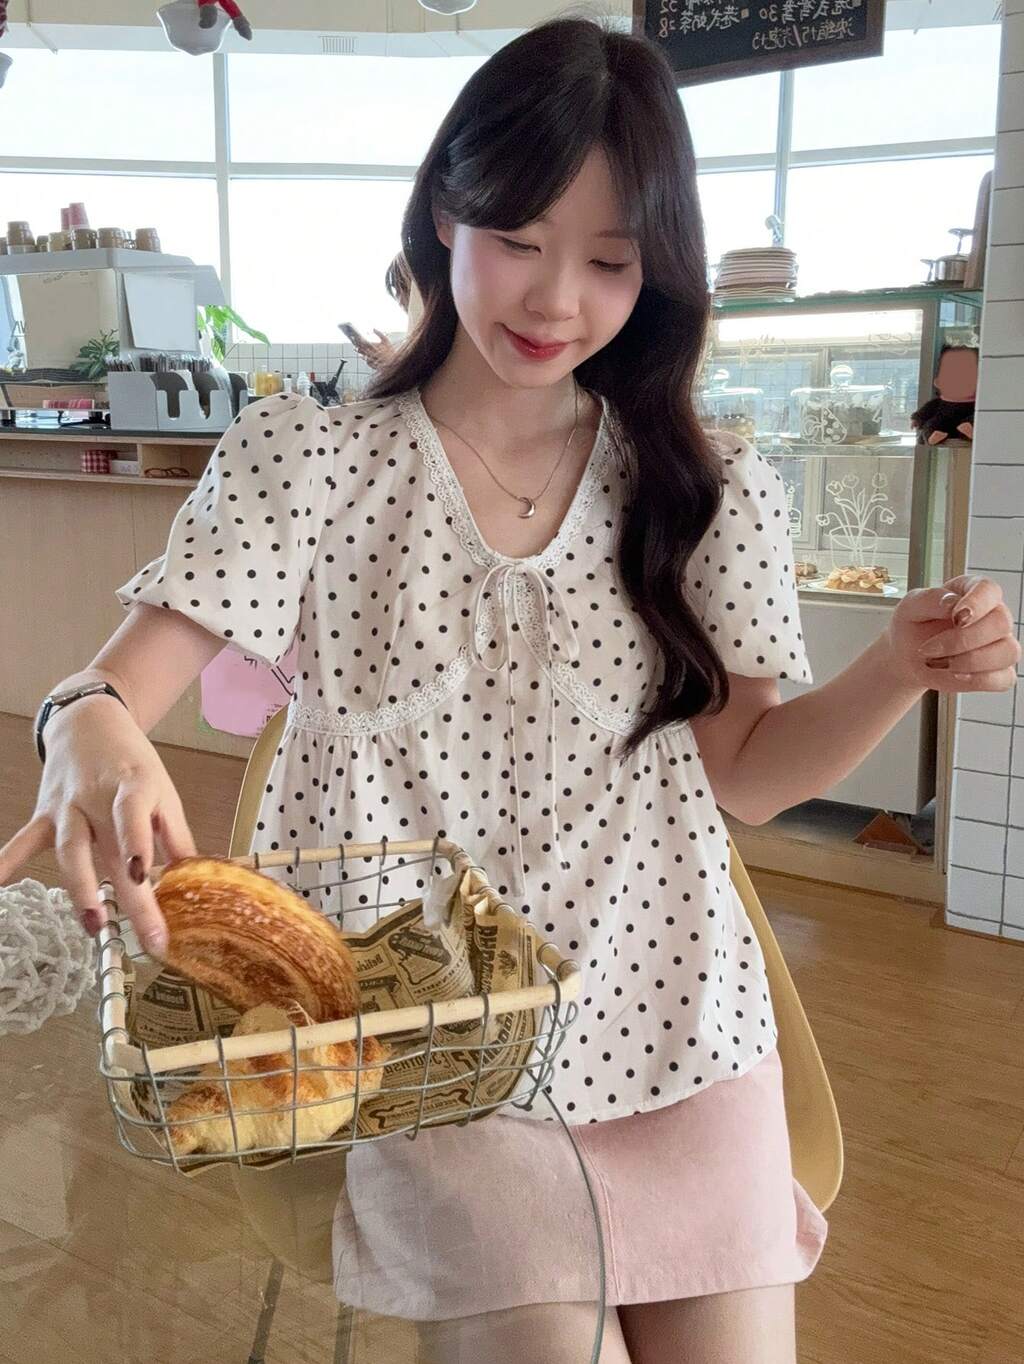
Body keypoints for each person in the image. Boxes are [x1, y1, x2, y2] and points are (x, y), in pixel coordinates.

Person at [1, 16, 1017, 1364]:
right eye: (519, 241)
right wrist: (86, 721)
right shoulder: (310, 459)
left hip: (676, 1017)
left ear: (658, 272)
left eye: (609, 261)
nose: (554, 302)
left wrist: (896, 666)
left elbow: (749, 776)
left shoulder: (704, 489)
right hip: (433, 1035)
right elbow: (127, 677)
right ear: (445, 218)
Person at [344, 250, 415, 370]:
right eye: (396, 291)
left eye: (402, 287)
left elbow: (427, 380)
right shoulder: (419, 333)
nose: (399, 299)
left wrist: (390, 362)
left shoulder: (437, 333)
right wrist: (389, 361)